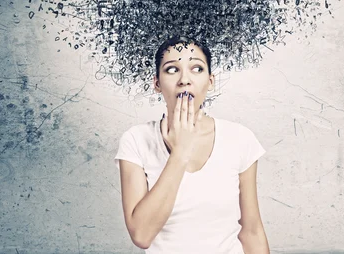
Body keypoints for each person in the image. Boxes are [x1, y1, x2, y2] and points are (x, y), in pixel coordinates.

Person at [114, 35, 269, 253]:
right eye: (171, 69)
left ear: (211, 81)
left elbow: (251, 231)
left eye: (196, 68)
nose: (184, 79)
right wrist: (180, 153)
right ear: (157, 83)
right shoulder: (136, 140)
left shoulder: (240, 139)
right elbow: (141, 235)